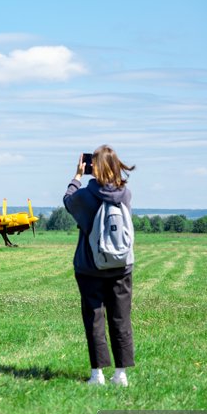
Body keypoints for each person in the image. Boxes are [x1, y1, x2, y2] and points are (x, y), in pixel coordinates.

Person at [63, 145, 136, 386]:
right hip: (122, 265)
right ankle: (121, 374)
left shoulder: (86, 195)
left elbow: (68, 201)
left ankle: (97, 375)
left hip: (90, 265)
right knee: (121, 318)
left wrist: (76, 177)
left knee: (95, 318)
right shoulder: (125, 194)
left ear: (92, 167)